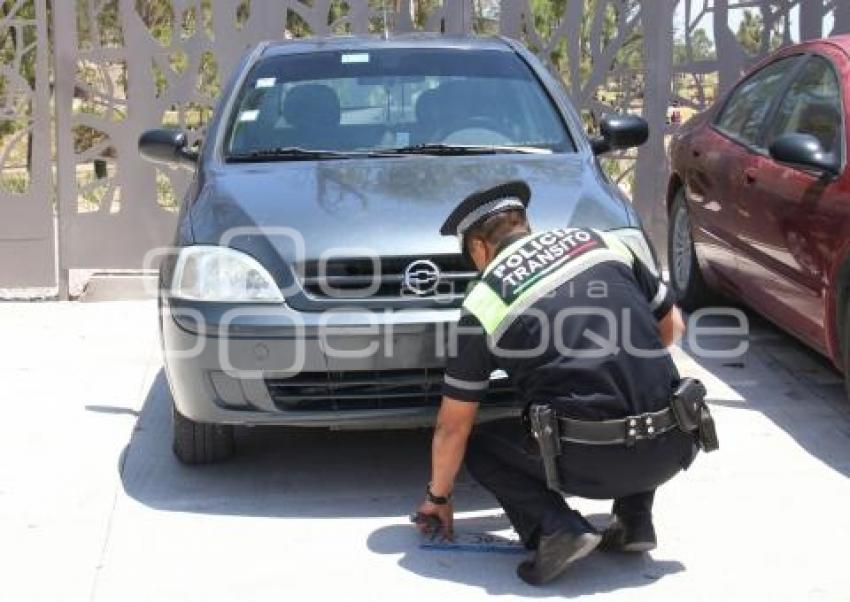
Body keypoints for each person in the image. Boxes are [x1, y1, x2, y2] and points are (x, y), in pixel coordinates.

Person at [414, 180, 706, 586]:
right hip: (673, 444)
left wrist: (438, 497)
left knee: (481, 447)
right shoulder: (604, 243)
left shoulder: (485, 301)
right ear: (525, 225)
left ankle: (556, 528)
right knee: (635, 379)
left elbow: (452, 426)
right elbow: (672, 327)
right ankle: (634, 520)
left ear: (480, 248)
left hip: (588, 464)